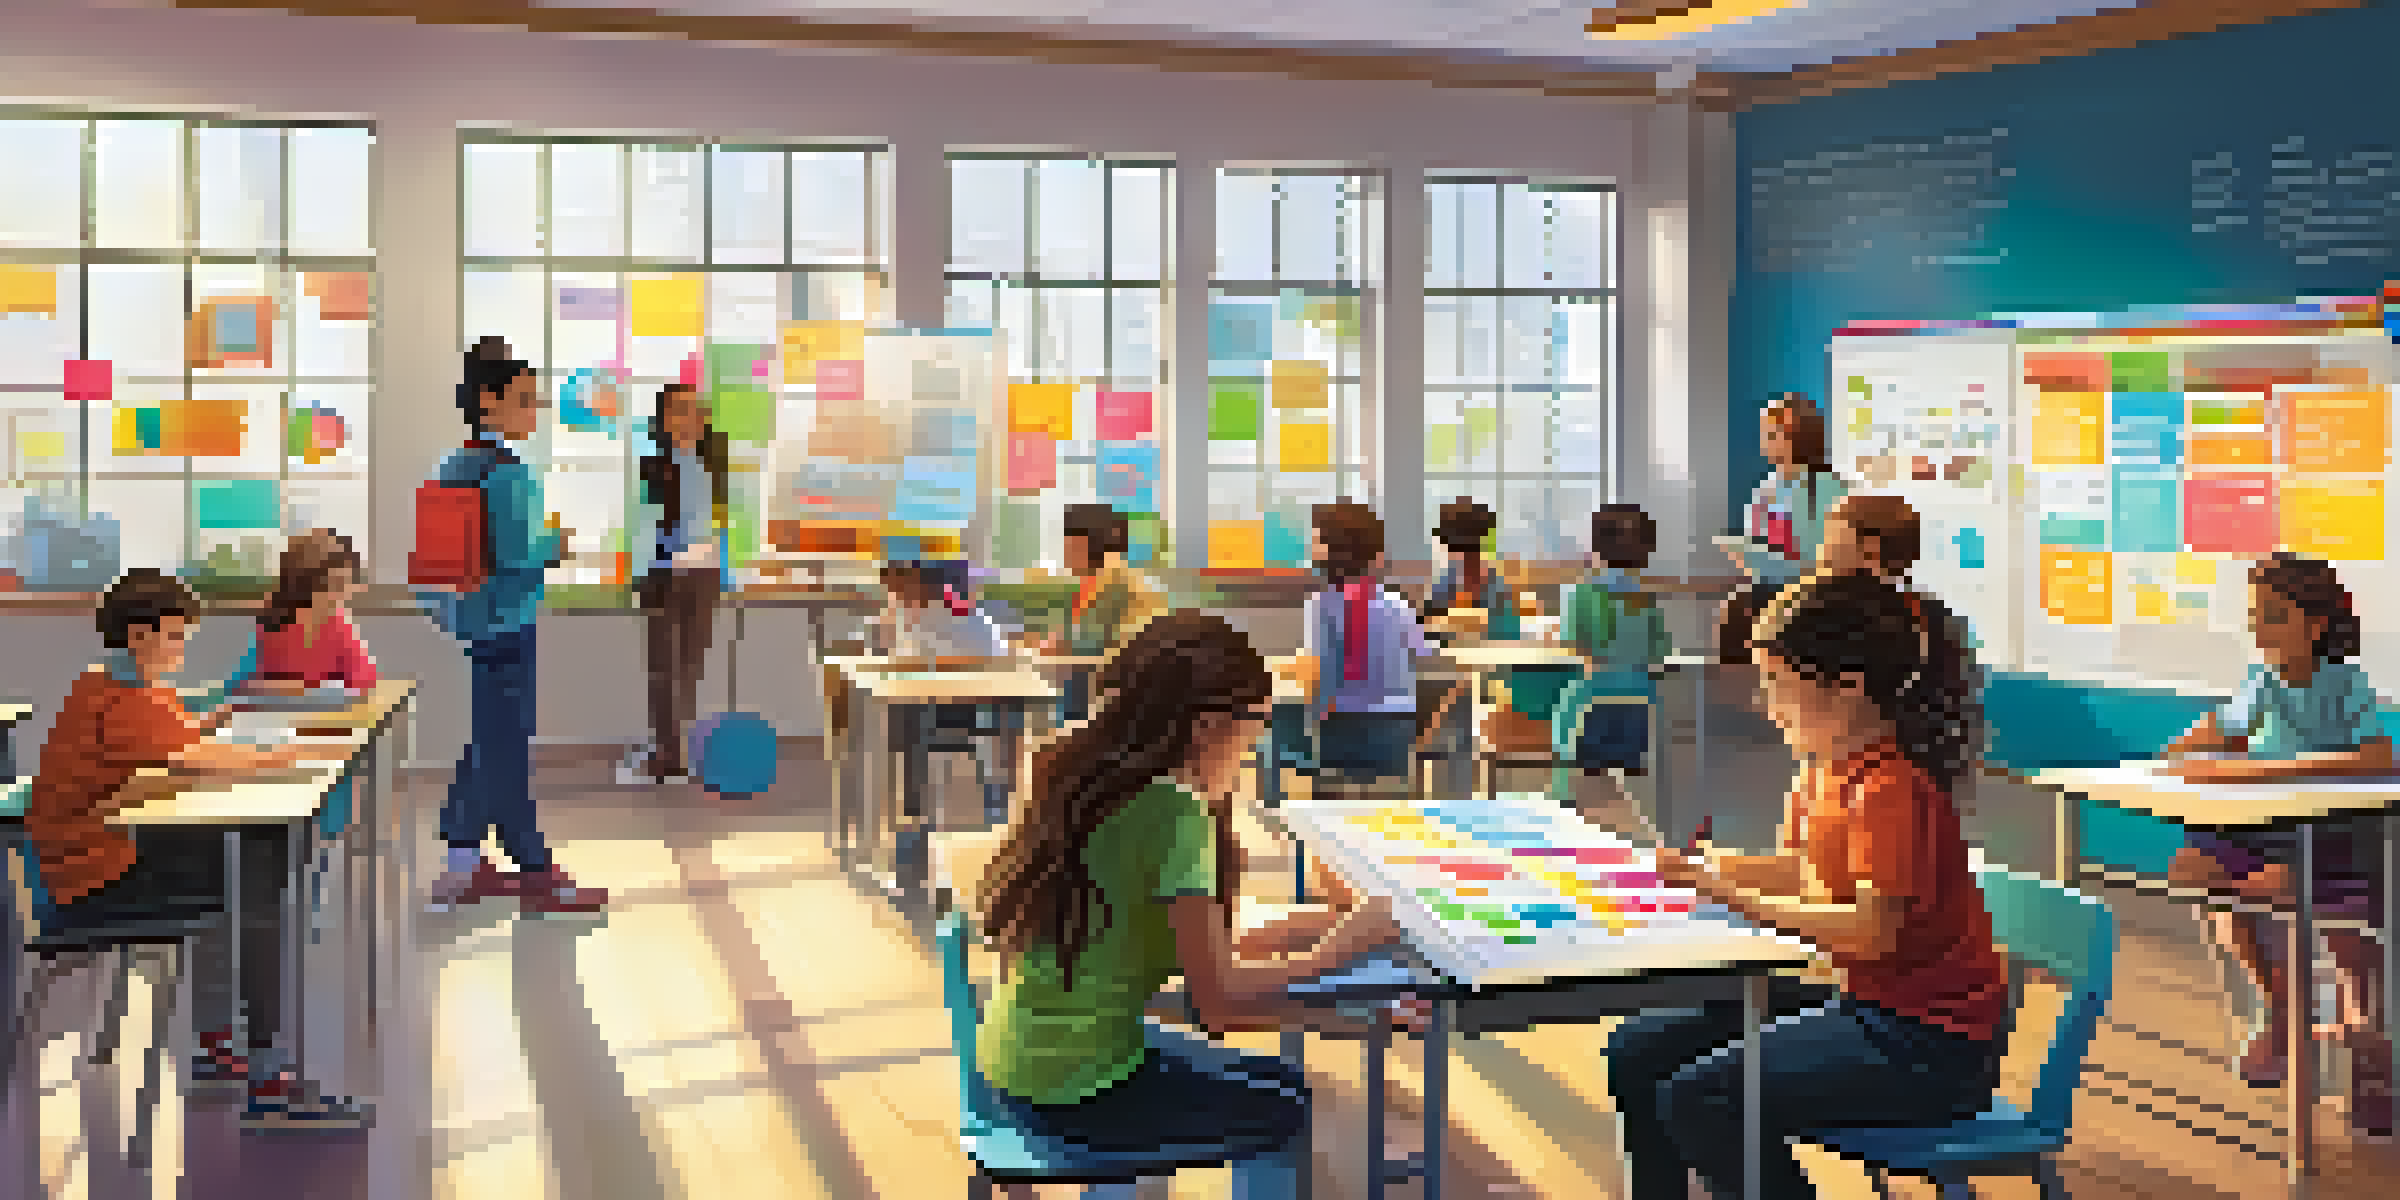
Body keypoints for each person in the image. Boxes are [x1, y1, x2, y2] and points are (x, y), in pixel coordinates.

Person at [974, 611, 1408, 1199]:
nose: (1258, 742)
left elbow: (1180, 942)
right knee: (1284, 1105)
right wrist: (1337, 949)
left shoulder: (1088, 777)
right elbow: (1220, 1003)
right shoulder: (1176, 815)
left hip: (1021, 1058)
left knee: (1274, 1082)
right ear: (1206, 726)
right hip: (1077, 1090)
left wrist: (1317, 928)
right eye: (1258, 722)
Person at [1608, 572, 2008, 1200]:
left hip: (1930, 1047)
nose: (1767, 706)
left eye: (1779, 687)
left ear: (1847, 689)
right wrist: (1713, 868)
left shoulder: (1890, 788)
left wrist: (1734, 894)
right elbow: (1805, 871)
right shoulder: (1824, 773)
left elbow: (1872, 933)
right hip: (1868, 1008)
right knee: (1635, 1052)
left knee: (1705, 1097)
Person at [23, 570, 370, 1129]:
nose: (183, 648)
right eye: (176, 636)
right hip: (97, 879)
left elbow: (180, 740)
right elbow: (195, 759)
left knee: (240, 870)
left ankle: (221, 1046)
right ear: (140, 636)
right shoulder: (121, 695)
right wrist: (289, 754)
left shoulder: (118, 683)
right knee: (258, 882)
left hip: (101, 858)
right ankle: (268, 1079)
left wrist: (218, 727)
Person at [2158, 554, 2391, 1132]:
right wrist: (2182, 750)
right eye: (2255, 616)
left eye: (2275, 617)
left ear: (2315, 625)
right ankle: (2283, 1009)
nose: (2260, 630)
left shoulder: (2343, 682)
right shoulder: (2263, 680)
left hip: (2329, 830)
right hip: (2264, 827)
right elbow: (2226, 727)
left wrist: (2276, 770)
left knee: (2316, 910)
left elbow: (2378, 755)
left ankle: (2366, 1046)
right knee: (2194, 869)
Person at [419, 347, 605, 915]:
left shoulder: (456, 464)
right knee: (506, 745)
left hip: (473, 618)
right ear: (489, 402)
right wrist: (558, 543)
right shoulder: (507, 472)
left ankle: (462, 858)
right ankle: (533, 866)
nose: (535, 411)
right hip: (507, 620)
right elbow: (517, 554)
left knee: (492, 738)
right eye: (525, 400)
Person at [1551, 505, 1674, 822]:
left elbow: (1573, 648)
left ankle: (1570, 816)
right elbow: (1659, 652)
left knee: (1576, 779)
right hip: (1640, 706)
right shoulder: (1646, 599)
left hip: (1590, 707)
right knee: (1628, 790)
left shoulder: (1581, 594)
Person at [1300, 500, 1436, 784]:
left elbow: (1321, 677)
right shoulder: (1397, 604)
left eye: (1315, 541)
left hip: (1344, 726)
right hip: (1397, 730)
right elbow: (1424, 653)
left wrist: (1308, 718)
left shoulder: (1322, 606)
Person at [635, 382, 730, 783]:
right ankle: (667, 751)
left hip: (704, 574)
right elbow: (646, 524)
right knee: (663, 666)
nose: (689, 418)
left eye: (695, 410)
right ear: (663, 420)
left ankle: (677, 751)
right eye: (679, 411)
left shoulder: (715, 462)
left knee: (690, 665)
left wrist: (726, 573)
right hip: (665, 573)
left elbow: (723, 522)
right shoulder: (654, 465)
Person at [1716, 394, 1848, 675]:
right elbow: (1758, 546)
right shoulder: (1766, 489)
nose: (1766, 440)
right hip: (1771, 590)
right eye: (1766, 431)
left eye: (1773, 431)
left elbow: (1834, 557)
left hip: (1816, 597)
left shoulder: (1830, 490)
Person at [1038, 504, 1166, 722]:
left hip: (1120, 684)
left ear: (1087, 543)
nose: (1065, 555)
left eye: (1069, 546)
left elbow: (1087, 641)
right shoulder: (1099, 578)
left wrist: (1055, 642)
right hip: (1107, 678)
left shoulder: (1116, 577)